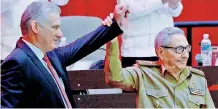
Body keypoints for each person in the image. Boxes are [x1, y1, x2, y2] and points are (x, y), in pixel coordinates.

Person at [1, 1, 129, 108]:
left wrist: (114, 23)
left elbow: (83, 45)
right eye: (54, 27)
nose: (60, 34)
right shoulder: (16, 62)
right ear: (35, 27)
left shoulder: (51, 55)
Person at [104, 27, 215, 108]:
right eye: (179, 49)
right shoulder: (143, 74)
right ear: (161, 52)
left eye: (187, 48)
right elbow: (115, 78)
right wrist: (112, 41)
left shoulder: (198, 80)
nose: (185, 55)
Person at [117, 0, 183, 67]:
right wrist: (161, 1)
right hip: (136, 51)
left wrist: (174, 4)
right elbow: (127, 10)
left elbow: (176, 12)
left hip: (165, 49)